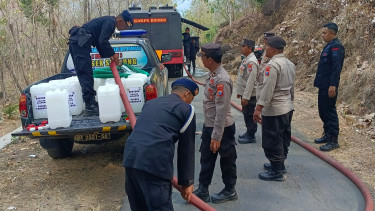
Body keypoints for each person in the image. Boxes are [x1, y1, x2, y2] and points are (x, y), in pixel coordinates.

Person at [123, 78, 199, 210]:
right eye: (191, 98)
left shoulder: (151, 103)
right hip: (155, 164)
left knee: (139, 206)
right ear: (186, 94)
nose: (190, 102)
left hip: (131, 158)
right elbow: (186, 149)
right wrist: (186, 183)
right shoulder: (187, 110)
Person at [193, 43, 237, 203]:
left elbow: (222, 110)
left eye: (203, 57)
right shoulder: (213, 75)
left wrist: (216, 136)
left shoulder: (222, 80)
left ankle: (230, 190)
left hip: (222, 128)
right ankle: (203, 189)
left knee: (227, 160)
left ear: (209, 59)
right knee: (206, 158)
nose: (202, 60)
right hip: (210, 125)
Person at [68, 10, 133, 116]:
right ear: (120, 20)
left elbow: (99, 42)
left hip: (81, 43)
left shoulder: (109, 21)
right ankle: (89, 105)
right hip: (79, 43)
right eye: (125, 25)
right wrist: (113, 55)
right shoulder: (111, 22)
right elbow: (103, 41)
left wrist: (110, 55)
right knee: (85, 72)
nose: (124, 28)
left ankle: (92, 102)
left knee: (87, 72)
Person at [253, 36, 295, 182]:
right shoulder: (289, 63)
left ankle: (277, 171)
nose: (265, 51)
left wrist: (258, 108)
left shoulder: (273, 65)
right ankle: (279, 164)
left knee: (272, 139)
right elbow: (292, 88)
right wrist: (290, 101)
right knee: (283, 137)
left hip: (275, 108)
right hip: (287, 107)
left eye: (267, 48)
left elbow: (267, 89)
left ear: (273, 49)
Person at [313, 22, 345, 151]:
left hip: (329, 86)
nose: (322, 35)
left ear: (332, 33)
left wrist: (333, 85)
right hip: (323, 85)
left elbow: (336, 68)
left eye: (324, 33)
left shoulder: (336, 47)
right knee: (323, 111)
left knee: (330, 112)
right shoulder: (329, 46)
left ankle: (333, 140)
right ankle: (327, 134)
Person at [236, 39, 259, 144]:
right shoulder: (246, 59)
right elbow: (242, 77)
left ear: (249, 48)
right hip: (245, 93)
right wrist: (240, 91)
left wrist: (246, 96)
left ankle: (251, 135)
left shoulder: (252, 62)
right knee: (246, 113)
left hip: (250, 94)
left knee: (249, 114)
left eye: (243, 46)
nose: (241, 48)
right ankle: (248, 132)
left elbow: (251, 81)